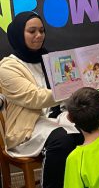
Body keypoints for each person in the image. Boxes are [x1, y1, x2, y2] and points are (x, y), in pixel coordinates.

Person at [0, 11, 83, 188]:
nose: (39, 35)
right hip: (27, 127)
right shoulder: (7, 67)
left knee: (86, 132)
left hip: (56, 117)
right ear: (18, 34)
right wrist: (72, 87)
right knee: (62, 140)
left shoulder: (51, 59)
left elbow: (65, 95)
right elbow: (34, 98)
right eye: (32, 31)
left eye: (42, 30)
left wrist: (88, 78)